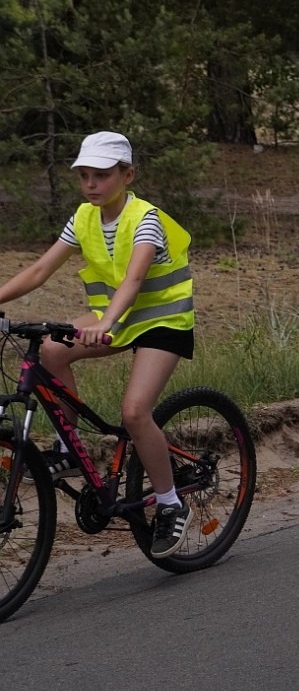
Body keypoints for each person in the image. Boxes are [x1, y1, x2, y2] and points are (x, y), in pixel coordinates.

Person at [0, 131, 196, 558]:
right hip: (114, 318)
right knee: (50, 350)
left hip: (162, 319)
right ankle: (70, 448)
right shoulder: (84, 217)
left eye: (102, 175)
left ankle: (169, 504)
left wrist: (105, 322)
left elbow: (134, 279)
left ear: (128, 175)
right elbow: (39, 270)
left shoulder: (146, 218)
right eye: (84, 175)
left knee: (134, 411)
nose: (91, 184)